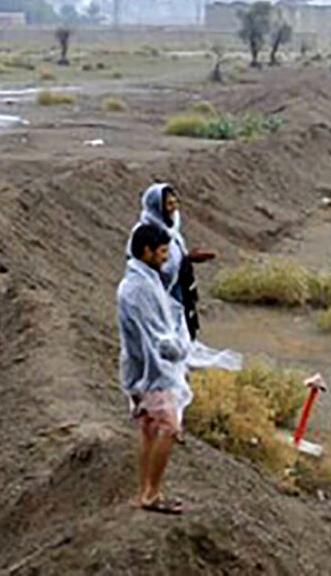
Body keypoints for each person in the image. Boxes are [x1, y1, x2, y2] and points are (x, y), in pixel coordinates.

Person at [119, 223, 192, 515]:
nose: (165, 257)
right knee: (169, 429)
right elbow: (156, 336)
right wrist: (180, 349)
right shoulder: (140, 288)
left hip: (142, 373)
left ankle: (145, 491)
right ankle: (152, 493)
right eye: (161, 251)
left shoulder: (141, 282)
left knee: (150, 430)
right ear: (146, 251)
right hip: (151, 373)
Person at [128, 183, 214, 340]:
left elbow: (172, 257)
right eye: (169, 204)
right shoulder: (145, 233)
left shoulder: (170, 229)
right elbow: (147, 266)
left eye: (175, 203)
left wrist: (188, 258)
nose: (174, 208)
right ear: (157, 206)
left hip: (180, 289)